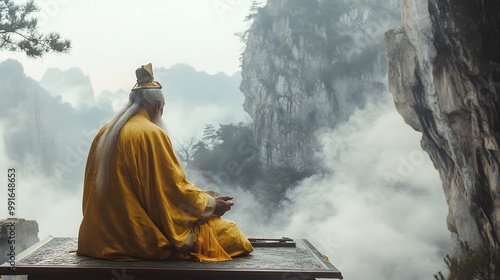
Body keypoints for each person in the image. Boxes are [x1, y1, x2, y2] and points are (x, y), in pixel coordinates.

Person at [77, 63, 253, 261]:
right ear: (158, 106)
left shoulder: (105, 132)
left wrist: (205, 199)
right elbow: (171, 191)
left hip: (95, 239)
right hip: (136, 241)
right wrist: (211, 206)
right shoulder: (151, 134)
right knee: (233, 234)